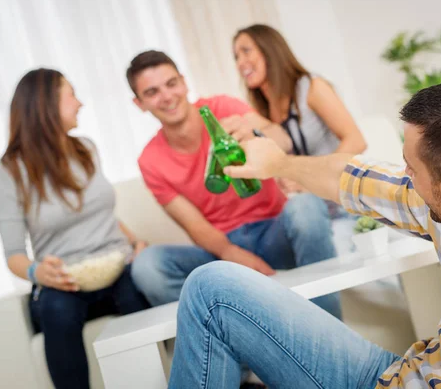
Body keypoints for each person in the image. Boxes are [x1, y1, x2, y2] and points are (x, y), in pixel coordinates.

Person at [168, 79, 441, 388]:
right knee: (212, 287)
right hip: (403, 379)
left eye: (410, 169)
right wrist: (278, 164)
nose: (406, 178)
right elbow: (351, 178)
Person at [126, 50, 341, 319]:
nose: (167, 96)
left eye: (171, 84)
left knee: (307, 206)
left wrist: (256, 133)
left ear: (183, 82)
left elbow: (283, 138)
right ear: (139, 103)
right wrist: (231, 253)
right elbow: (194, 225)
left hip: (274, 231)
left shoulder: (223, 108)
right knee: (147, 265)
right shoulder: (150, 160)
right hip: (220, 250)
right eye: (152, 92)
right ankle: (232, 345)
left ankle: (327, 331)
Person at [0, 68, 149, 389]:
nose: (80, 103)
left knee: (142, 289)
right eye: (71, 94)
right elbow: (13, 255)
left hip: (118, 269)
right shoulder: (8, 172)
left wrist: (137, 243)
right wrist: (38, 272)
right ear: (46, 105)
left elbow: (101, 214)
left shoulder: (86, 148)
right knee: (56, 309)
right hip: (65, 284)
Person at [232, 24, 367, 253]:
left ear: (270, 50)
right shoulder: (262, 111)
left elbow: (356, 141)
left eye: (246, 51)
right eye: (236, 56)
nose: (240, 62)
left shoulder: (311, 87)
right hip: (310, 211)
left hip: (344, 203)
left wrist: (307, 177)